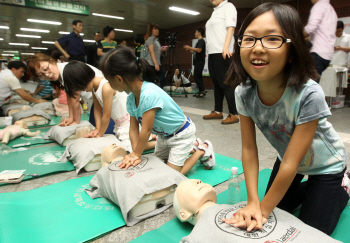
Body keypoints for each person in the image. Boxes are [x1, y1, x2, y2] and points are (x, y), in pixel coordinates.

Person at [224, 3, 348, 235]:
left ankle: (341, 190)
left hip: (326, 166)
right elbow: (249, 149)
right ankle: (313, 193)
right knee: (278, 209)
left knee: (314, 229)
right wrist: (253, 202)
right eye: (249, 39)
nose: (257, 48)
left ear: (292, 52)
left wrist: (263, 211)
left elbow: (292, 162)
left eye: (272, 39)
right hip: (289, 159)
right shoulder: (244, 93)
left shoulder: (308, 94)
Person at [99, 46, 216, 174]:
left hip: (181, 134)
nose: (109, 85)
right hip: (163, 136)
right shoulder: (131, 98)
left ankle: (202, 150)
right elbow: (133, 129)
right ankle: (192, 147)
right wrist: (134, 153)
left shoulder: (149, 94)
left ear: (118, 79)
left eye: (109, 81)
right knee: (157, 168)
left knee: (172, 174)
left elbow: (146, 130)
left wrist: (137, 154)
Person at [173, 179, 341, 243]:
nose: (199, 181)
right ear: (184, 214)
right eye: (190, 186)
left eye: (197, 180)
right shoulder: (196, 236)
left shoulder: (241, 204)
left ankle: (336, 186)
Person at [62, 61, 155, 152]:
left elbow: (106, 116)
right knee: (132, 144)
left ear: (82, 80)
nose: (84, 91)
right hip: (120, 123)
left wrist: (100, 135)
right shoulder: (94, 87)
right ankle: (152, 137)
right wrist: (98, 130)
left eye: (82, 87)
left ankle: (157, 143)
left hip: (129, 121)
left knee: (133, 148)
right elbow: (97, 109)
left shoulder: (106, 87)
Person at [26, 54, 97, 126]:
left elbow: (75, 99)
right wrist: (71, 117)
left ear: (51, 61)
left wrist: (76, 121)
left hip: (104, 97)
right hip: (97, 100)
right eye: (41, 74)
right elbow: (69, 96)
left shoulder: (68, 70)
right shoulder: (60, 75)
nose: (46, 74)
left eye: (45, 69)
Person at [204, 0, 239, 124]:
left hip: (223, 52)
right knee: (217, 83)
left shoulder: (229, 7)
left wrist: (226, 47)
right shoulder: (215, 12)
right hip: (213, 53)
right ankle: (218, 111)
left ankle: (234, 114)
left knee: (225, 83)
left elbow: (231, 28)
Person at [304, 0, 337, 82]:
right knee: (313, 84)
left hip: (317, 53)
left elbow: (310, 28)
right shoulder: (331, 10)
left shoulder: (319, 6)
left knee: (310, 85)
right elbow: (322, 33)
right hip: (327, 55)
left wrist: (296, 36)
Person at [183, 27, 206, 98]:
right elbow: (194, 51)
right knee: (198, 77)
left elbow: (199, 50)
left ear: (199, 33)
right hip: (197, 62)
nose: (195, 33)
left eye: (196, 32)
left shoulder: (201, 41)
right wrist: (189, 51)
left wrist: (190, 47)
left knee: (196, 77)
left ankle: (202, 91)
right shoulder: (198, 42)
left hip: (200, 62)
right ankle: (201, 91)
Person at [144, 23, 168, 88]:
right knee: (158, 79)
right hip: (151, 64)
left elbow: (157, 51)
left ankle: (155, 93)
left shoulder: (156, 40)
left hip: (156, 63)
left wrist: (162, 50)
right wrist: (156, 64)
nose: (157, 30)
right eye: (155, 29)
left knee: (160, 79)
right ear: (151, 30)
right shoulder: (150, 39)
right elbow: (151, 52)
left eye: (157, 29)